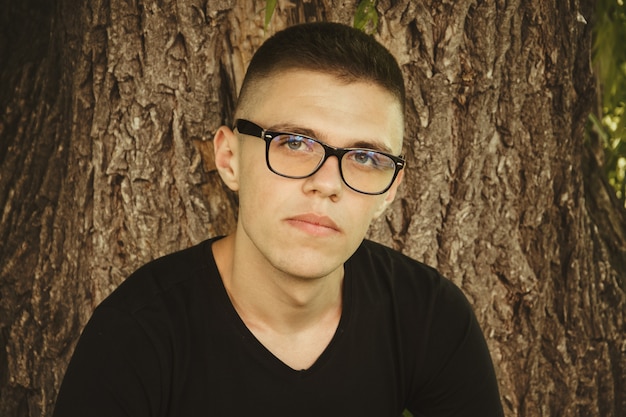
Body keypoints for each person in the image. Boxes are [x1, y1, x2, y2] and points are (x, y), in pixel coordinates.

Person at [53, 21, 504, 417]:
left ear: (390, 190)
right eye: (294, 143)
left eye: (365, 156)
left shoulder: (428, 318)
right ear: (229, 158)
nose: (328, 183)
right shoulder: (135, 338)